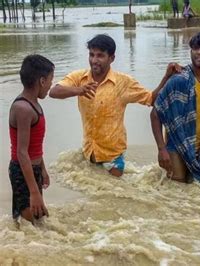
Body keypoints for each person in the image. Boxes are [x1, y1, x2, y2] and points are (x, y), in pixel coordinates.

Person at [49, 34, 162, 177]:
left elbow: (151, 99)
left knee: (114, 194)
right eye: (91, 55)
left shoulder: (123, 82)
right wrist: (79, 90)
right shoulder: (79, 78)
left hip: (113, 156)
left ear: (112, 58)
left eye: (100, 56)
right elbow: (54, 92)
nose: (94, 60)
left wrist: (166, 77)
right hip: (89, 151)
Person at [150, 32, 200, 184]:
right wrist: (161, 149)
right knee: (178, 189)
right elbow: (155, 114)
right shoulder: (179, 80)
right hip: (176, 146)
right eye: (196, 48)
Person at [9, 55, 54, 222]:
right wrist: (34, 192)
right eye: (50, 80)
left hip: (33, 170)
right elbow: (21, 152)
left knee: (38, 220)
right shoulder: (23, 108)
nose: (51, 85)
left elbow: (34, 146)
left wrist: (42, 169)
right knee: (29, 223)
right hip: (21, 172)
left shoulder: (34, 103)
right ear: (42, 81)